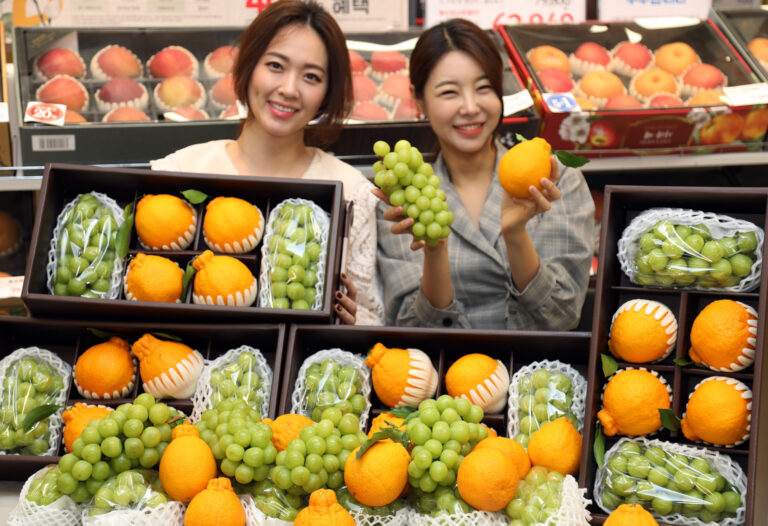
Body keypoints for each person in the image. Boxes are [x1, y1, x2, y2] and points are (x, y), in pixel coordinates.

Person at [151, 0, 383, 325]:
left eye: (311, 76)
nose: (289, 89)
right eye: (275, 65)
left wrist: (352, 322)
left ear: (327, 92)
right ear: (248, 67)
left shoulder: (351, 191)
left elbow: (372, 317)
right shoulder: (179, 172)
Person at [375, 18, 594, 330]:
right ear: (418, 99)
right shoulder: (405, 195)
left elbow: (563, 315)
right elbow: (411, 329)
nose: (470, 107)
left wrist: (515, 236)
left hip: (536, 361)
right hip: (445, 361)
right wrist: (435, 253)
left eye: (483, 88)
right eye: (449, 92)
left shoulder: (553, 179)